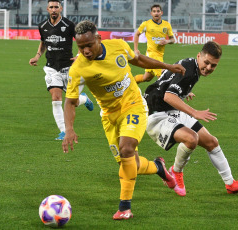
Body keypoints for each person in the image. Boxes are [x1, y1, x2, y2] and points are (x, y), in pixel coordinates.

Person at [62, 20, 186, 220]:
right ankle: (158, 167)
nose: (85, 51)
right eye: (80, 47)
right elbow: (70, 101)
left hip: (133, 104)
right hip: (109, 116)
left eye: (88, 45)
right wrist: (69, 128)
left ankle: (124, 208)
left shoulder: (118, 45)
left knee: (126, 148)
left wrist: (167, 66)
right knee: (130, 164)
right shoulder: (78, 69)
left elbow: (138, 60)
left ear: (98, 39)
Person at [144, 41, 238, 196]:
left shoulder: (191, 64)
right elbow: (169, 95)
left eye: (214, 65)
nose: (209, 68)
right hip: (156, 114)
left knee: (211, 142)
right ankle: (176, 172)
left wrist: (184, 93)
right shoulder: (190, 71)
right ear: (199, 56)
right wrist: (194, 112)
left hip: (170, 109)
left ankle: (231, 184)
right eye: (207, 63)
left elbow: (169, 82)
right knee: (191, 139)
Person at [29, 0, 94, 141]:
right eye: (51, 7)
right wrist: (37, 55)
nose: (53, 10)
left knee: (74, 102)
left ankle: (84, 99)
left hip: (69, 68)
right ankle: (63, 131)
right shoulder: (42, 26)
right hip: (51, 67)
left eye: (56, 7)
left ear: (61, 9)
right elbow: (43, 42)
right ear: (47, 9)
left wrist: (78, 55)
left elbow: (81, 41)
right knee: (56, 98)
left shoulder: (69, 25)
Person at [133, 4, 175, 83]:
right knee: (164, 76)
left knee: (146, 78)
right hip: (151, 54)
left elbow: (173, 40)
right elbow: (137, 34)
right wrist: (136, 49)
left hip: (160, 55)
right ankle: (170, 94)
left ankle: (131, 82)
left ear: (161, 13)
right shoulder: (146, 24)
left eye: (158, 11)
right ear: (151, 13)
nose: (156, 13)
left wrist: (167, 41)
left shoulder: (166, 25)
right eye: (154, 11)